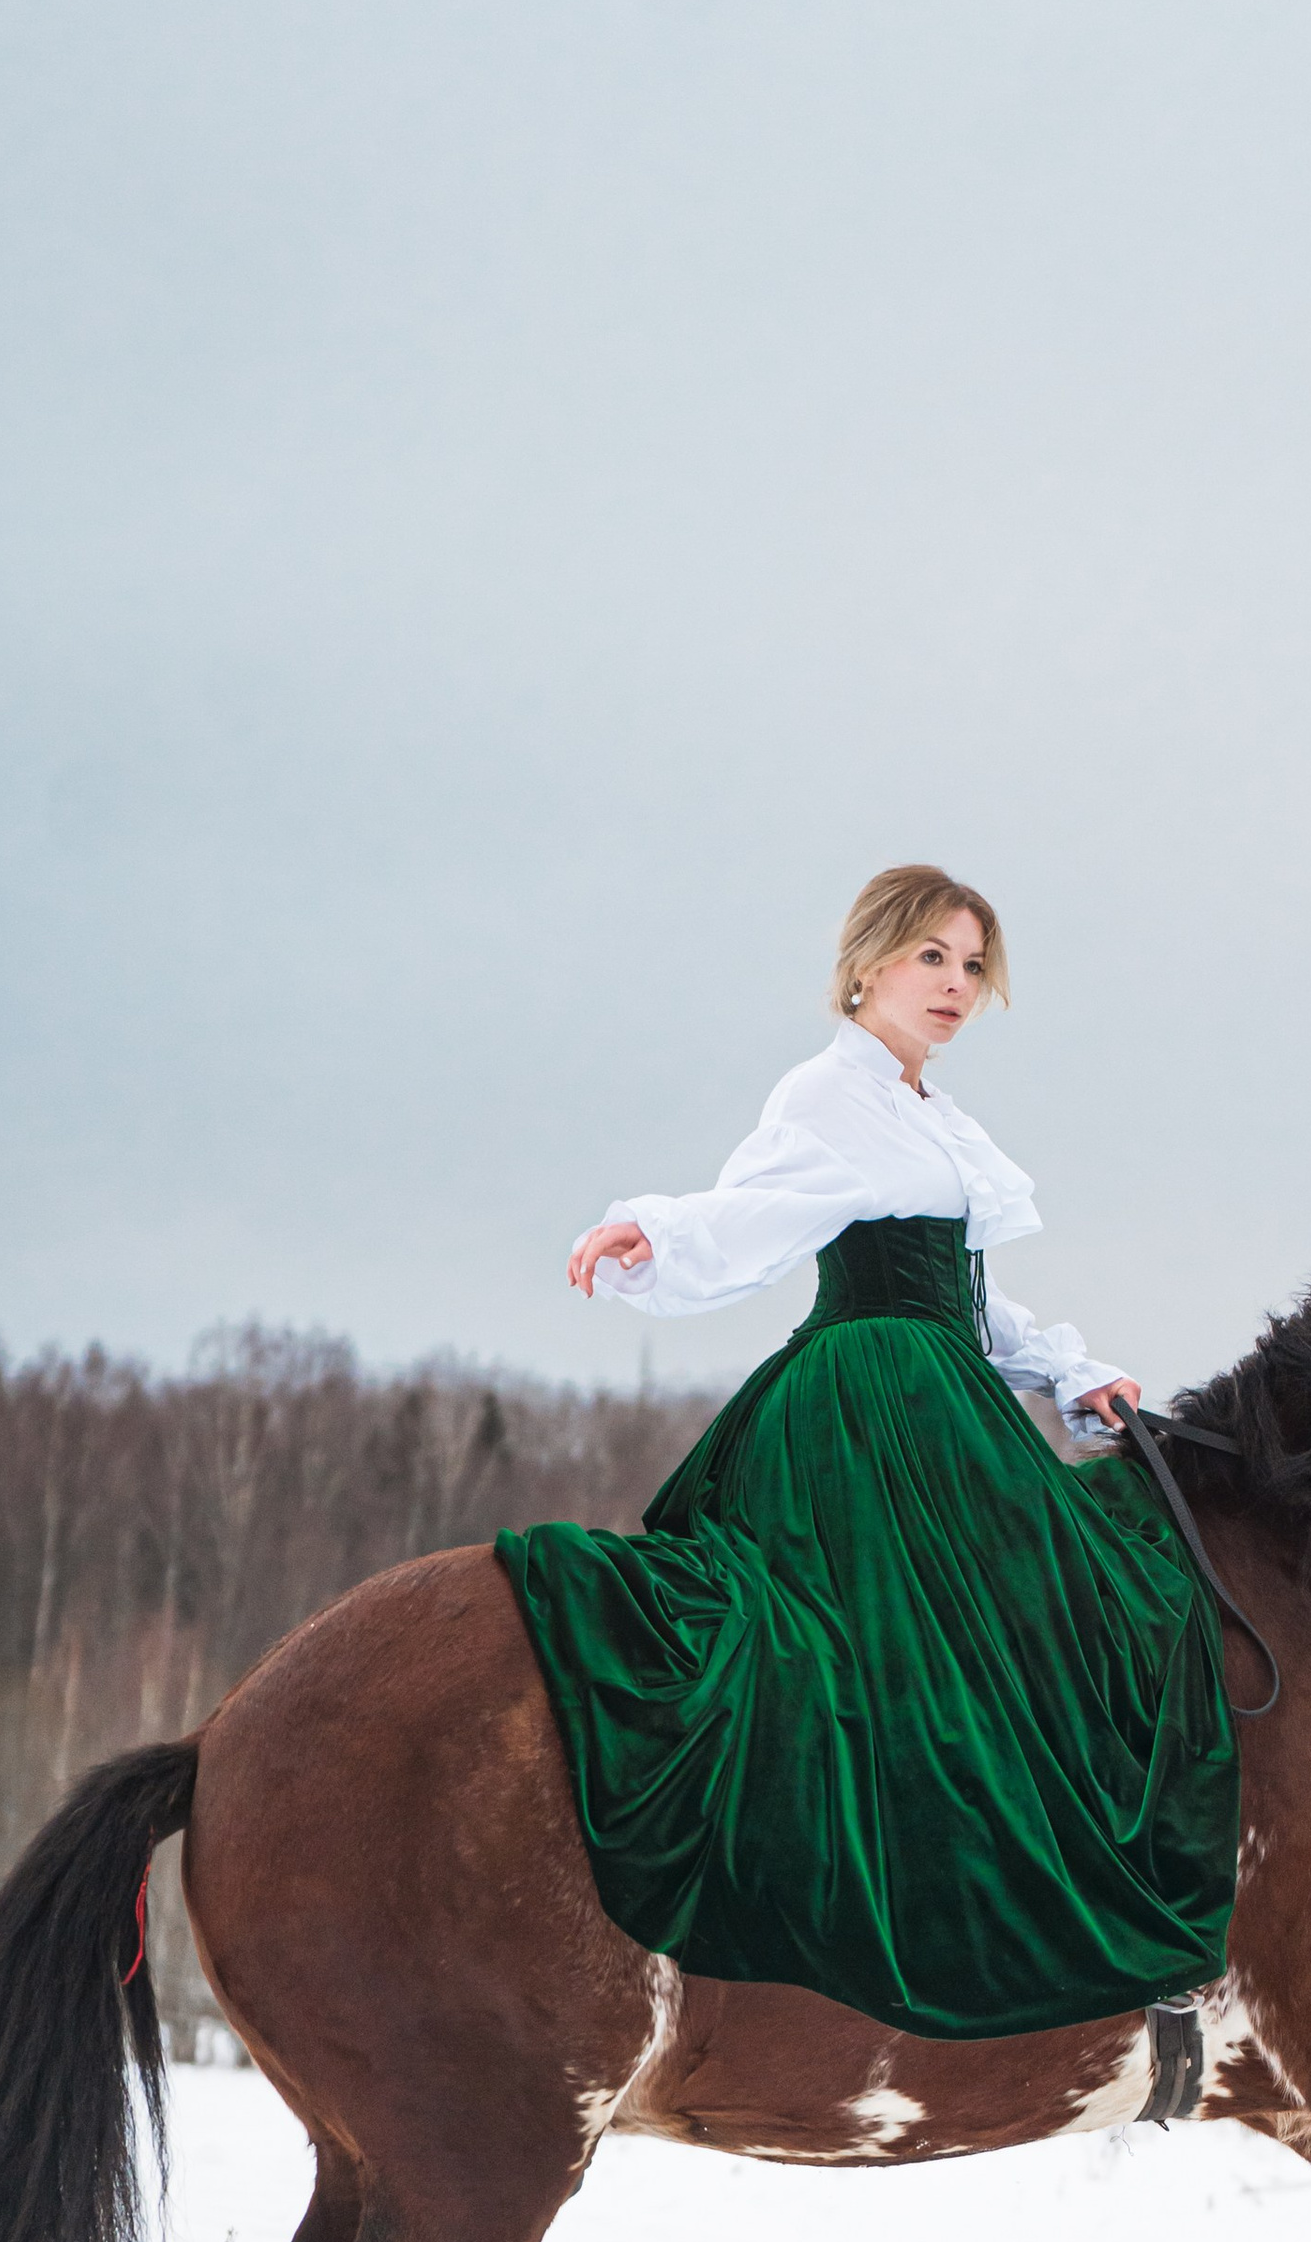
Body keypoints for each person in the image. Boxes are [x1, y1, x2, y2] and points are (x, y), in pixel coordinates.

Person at [497, 865, 1239, 2040]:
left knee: (1097, 1600)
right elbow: (749, 1217)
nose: (954, 984)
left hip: (937, 1383)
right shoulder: (825, 1095)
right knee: (979, 1633)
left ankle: (1090, 1907)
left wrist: (1065, 1367)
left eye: (972, 964)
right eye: (931, 957)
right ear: (868, 965)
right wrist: (657, 1228)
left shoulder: (933, 1116)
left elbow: (962, 1295)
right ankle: (972, 1916)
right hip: (873, 1405)